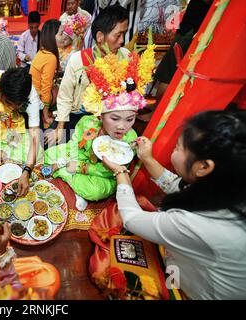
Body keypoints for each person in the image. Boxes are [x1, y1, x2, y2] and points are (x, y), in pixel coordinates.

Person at [102, 108, 246, 299]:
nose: (174, 148)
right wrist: (147, 159)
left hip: (195, 290)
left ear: (204, 167)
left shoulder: (197, 224)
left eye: (178, 147)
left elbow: (131, 219)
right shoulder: (231, 187)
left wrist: (120, 172)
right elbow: (176, 186)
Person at [45, 41, 156, 211]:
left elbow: (111, 171)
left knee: (97, 190)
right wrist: (69, 159)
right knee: (49, 153)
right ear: (100, 114)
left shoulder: (130, 140)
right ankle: (74, 183)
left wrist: (79, 168)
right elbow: (75, 146)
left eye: (130, 119)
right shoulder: (87, 122)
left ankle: (70, 180)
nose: (122, 126)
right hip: (81, 159)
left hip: (100, 175)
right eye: (115, 118)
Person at [47, 4, 129, 145]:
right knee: (50, 146)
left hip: (107, 118)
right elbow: (65, 96)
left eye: (124, 34)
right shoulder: (78, 60)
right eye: (118, 35)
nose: (122, 41)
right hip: (78, 115)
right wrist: (60, 127)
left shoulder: (125, 57)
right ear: (100, 37)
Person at [0, 68, 43, 196]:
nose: (9, 107)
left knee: (34, 148)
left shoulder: (31, 103)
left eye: (12, 105)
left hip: (23, 118)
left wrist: (26, 171)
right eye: (6, 102)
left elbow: (34, 139)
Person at [29, 19, 60, 129]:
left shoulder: (42, 51)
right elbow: (45, 88)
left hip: (33, 95)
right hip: (37, 101)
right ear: (53, 36)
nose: (62, 37)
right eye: (60, 34)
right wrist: (46, 116)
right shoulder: (50, 57)